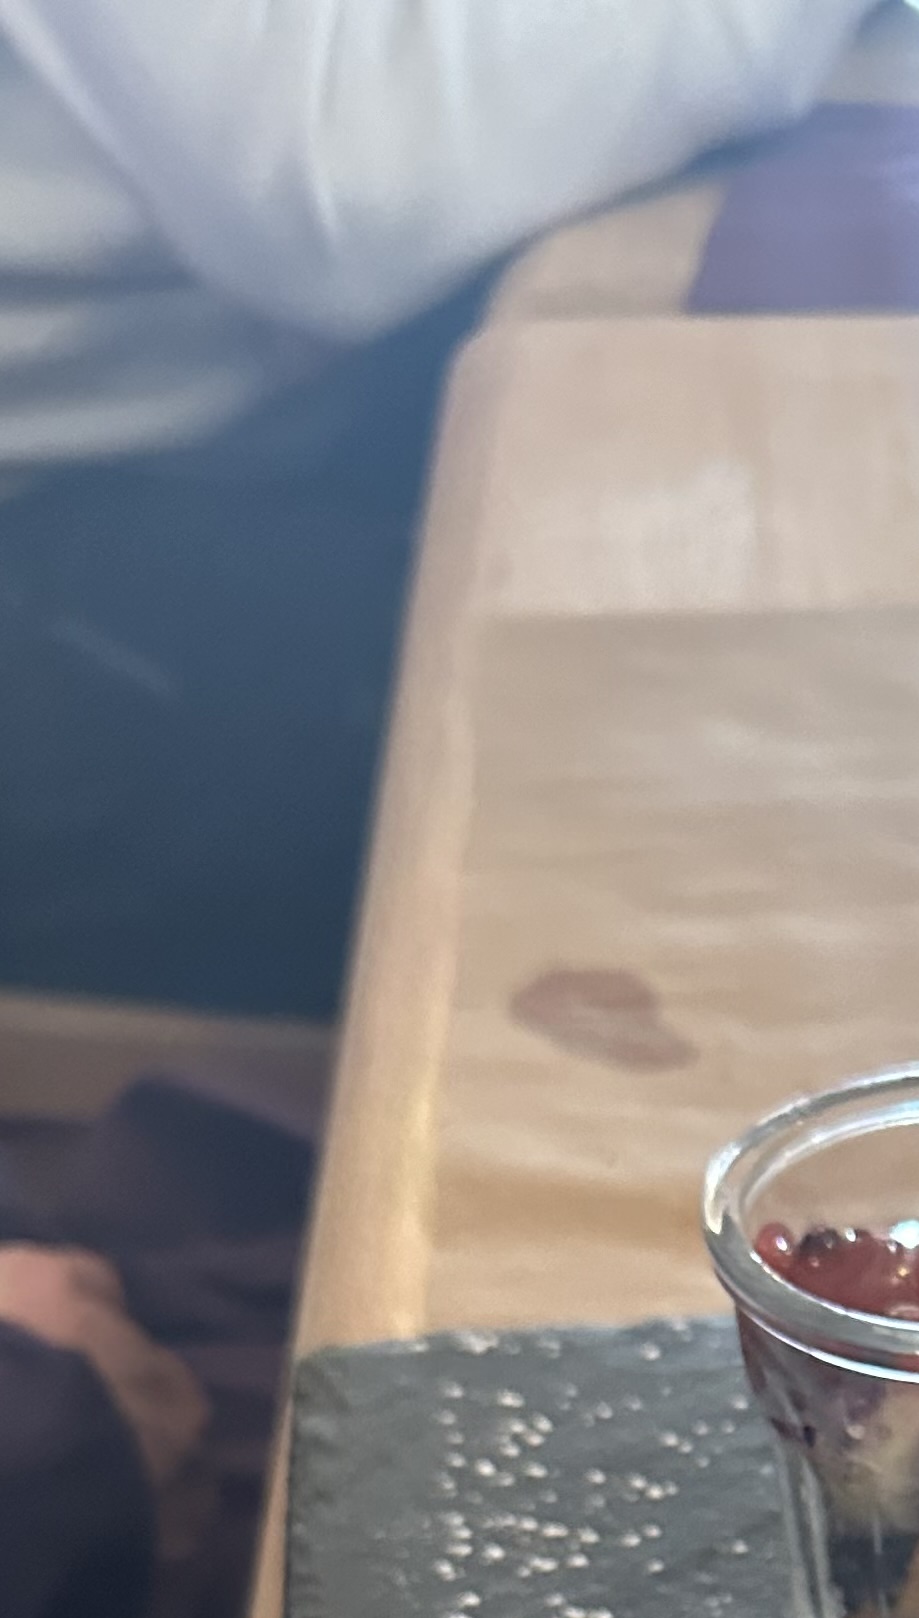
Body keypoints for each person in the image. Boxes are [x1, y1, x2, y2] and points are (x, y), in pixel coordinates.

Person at [0, 0, 872, 1018]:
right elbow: (349, 181)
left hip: (216, 439)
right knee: (732, 766)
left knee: (780, 635)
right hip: (62, 516)